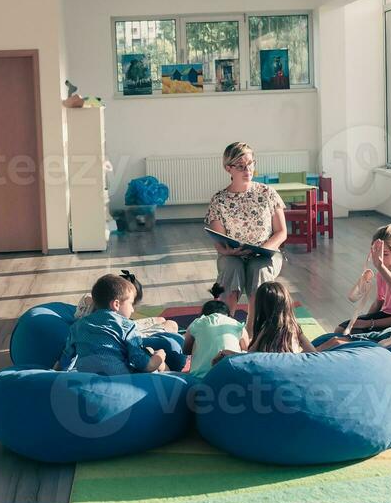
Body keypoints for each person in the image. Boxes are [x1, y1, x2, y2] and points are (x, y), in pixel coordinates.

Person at [206, 141, 286, 318]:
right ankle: (226, 322)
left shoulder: (268, 193)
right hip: (233, 256)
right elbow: (218, 240)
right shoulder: (219, 200)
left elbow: (281, 232)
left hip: (264, 254)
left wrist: (266, 248)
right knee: (231, 269)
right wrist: (228, 251)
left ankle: (254, 328)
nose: (247, 170)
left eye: (250, 164)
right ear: (228, 168)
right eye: (241, 166)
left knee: (259, 271)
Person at [56, 273, 184, 375]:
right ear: (116, 304)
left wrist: (54, 373)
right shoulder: (127, 326)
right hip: (121, 379)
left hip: (87, 376)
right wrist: (159, 356)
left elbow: (65, 359)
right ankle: (174, 379)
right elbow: (141, 363)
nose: (133, 310)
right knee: (152, 354)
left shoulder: (77, 326)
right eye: (131, 304)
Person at [337, 225, 391, 336]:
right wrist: (364, 320)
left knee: (346, 335)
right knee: (340, 330)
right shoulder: (382, 270)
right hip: (387, 315)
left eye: (384, 254)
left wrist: (368, 324)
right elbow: (379, 301)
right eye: (375, 252)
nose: (378, 258)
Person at [218, 280, 316, 358]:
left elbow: (250, 354)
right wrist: (296, 357)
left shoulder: (267, 327)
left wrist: (231, 354)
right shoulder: (294, 327)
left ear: (261, 307)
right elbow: (312, 352)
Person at [183, 285, 248, 377]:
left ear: (203, 314)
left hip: (200, 377)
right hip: (233, 376)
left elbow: (185, 349)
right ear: (228, 315)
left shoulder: (197, 323)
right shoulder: (237, 325)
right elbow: (247, 351)